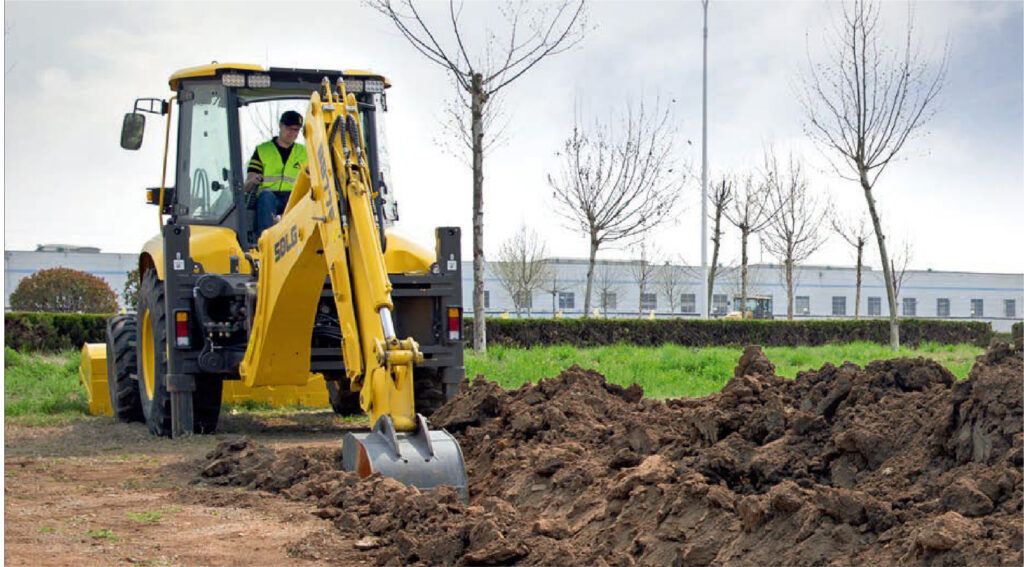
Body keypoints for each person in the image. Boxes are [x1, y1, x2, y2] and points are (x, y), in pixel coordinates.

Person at [245, 110, 308, 236]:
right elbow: (248, 182)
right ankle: (264, 239)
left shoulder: (304, 153)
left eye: (296, 130)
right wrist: (253, 181)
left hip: (293, 197)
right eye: (289, 129)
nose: (293, 133)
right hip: (270, 197)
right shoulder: (263, 150)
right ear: (280, 126)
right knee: (265, 197)